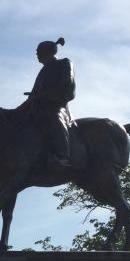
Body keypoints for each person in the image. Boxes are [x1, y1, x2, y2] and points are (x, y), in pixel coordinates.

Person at [19, 37, 76, 167]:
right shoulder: (43, 71)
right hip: (37, 109)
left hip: (57, 107)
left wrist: (43, 96)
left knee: (53, 117)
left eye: (39, 51)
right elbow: (33, 98)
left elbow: (69, 89)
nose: (37, 54)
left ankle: (63, 156)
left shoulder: (64, 63)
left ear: (48, 52)